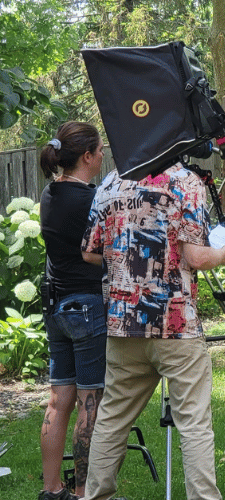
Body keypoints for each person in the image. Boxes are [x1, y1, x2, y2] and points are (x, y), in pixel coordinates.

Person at [81, 163, 225, 500]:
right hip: (175, 324)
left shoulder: (110, 183)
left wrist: (125, 255)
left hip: (122, 323)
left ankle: (95, 496)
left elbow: (88, 252)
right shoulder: (186, 181)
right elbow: (196, 257)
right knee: (194, 424)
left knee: (112, 419)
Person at [38, 122, 107, 500]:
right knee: (90, 401)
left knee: (58, 398)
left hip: (56, 307)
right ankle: (84, 492)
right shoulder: (90, 201)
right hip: (87, 307)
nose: (101, 157)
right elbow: (100, 253)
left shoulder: (50, 194)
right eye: (98, 151)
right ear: (86, 156)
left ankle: (52, 490)